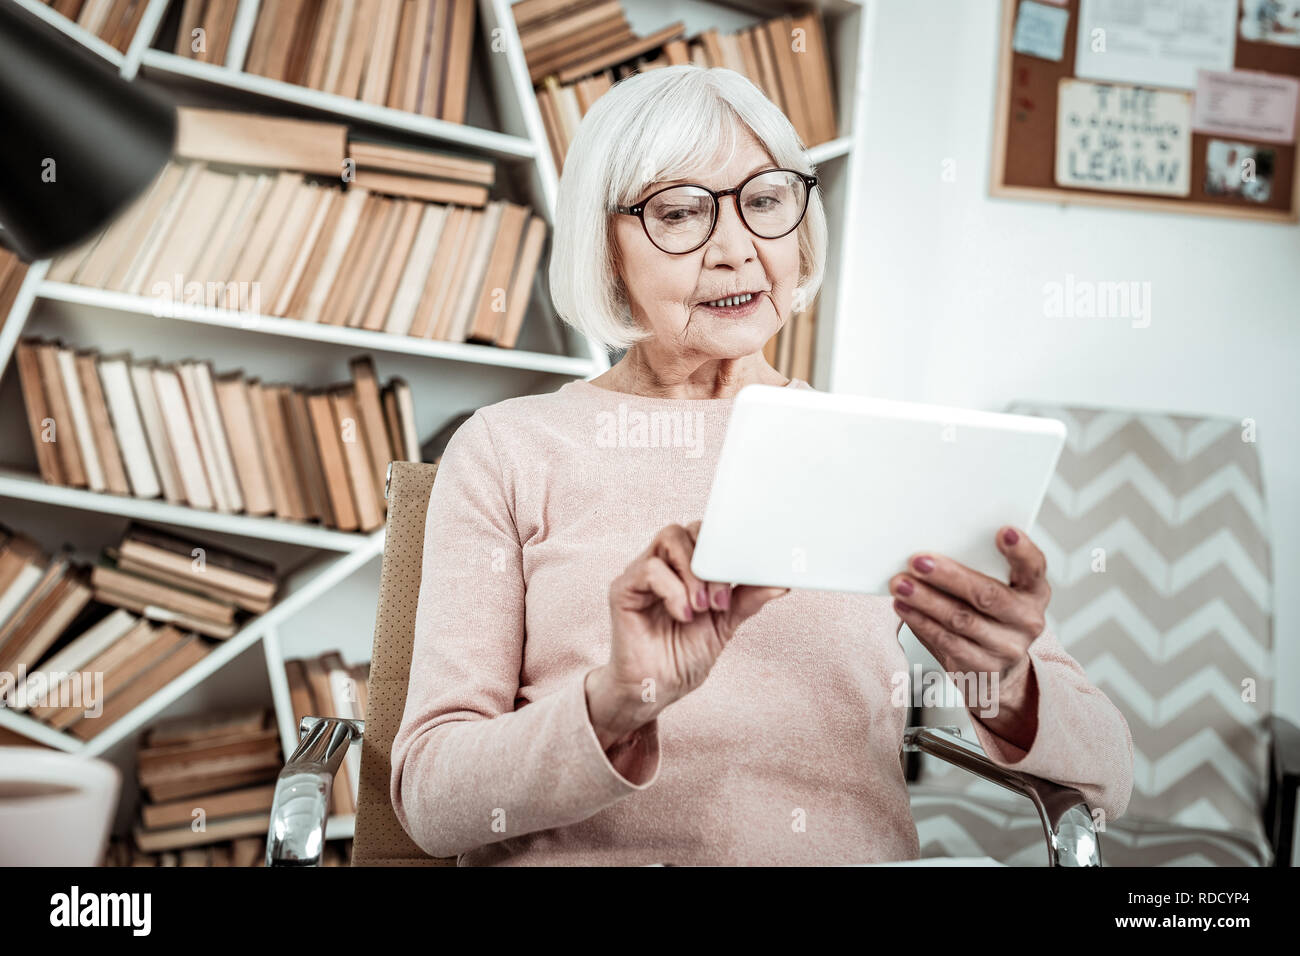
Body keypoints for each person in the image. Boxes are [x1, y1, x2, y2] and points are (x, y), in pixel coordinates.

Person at [390, 65, 1133, 865]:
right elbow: (432, 802)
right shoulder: (508, 447)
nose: (737, 250)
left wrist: (1010, 686)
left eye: (767, 200)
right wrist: (617, 705)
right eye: (679, 213)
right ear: (604, 247)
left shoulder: (886, 454)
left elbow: (1108, 777)